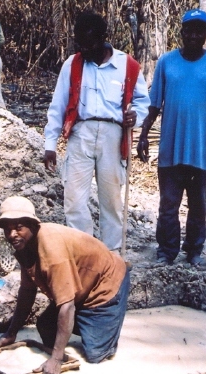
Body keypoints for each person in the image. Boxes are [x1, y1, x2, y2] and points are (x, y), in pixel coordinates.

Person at [43, 11, 150, 253]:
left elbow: (144, 102)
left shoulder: (127, 65)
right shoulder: (72, 64)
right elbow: (57, 105)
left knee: (111, 199)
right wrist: (50, 144)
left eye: (90, 43)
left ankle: (111, 254)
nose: (85, 49)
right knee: (74, 198)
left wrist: (137, 117)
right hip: (81, 133)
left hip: (113, 136)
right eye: (80, 43)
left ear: (104, 37)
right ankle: (83, 252)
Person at [0, 196, 130, 374]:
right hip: (80, 286)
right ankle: (84, 321)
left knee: (96, 355)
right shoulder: (23, 247)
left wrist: (56, 359)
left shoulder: (52, 249)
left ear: (33, 226)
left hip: (104, 284)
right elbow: (27, 292)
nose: (12, 235)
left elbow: (66, 305)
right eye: (7, 230)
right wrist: (11, 332)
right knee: (45, 327)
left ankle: (101, 323)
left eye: (18, 228)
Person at [137, 9, 206, 267]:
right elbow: (154, 104)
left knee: (198, 204)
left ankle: (194, 250)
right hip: (171, 147)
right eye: (188, 30)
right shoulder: (167, 62)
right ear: (182, 32)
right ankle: (166, 251)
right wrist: (143, 134)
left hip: (202, 147)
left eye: (199, 30)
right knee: (168, 204)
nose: (193, 35)